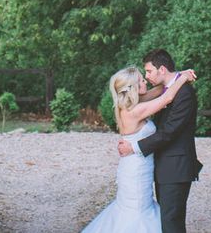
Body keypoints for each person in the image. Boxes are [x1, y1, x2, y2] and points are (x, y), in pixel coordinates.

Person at [81, 59, 197, 233]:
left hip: (139, 165)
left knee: (142, 209)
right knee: (136, 213)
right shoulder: (133, 111)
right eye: (142, 80)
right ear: (133, 87)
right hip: (135, 169)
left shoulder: (132, 104)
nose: (146, 81)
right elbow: (167, 97)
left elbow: (162, 87)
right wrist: (183, 78)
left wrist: (178, 74)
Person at [117, 49, 203, 233]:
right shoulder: (161, 93)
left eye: (148, 72)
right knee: (164, 221)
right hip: (161, 168)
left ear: (162, 69)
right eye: (143, 76)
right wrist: (182, 76)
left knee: (171, 222)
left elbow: (169, 132)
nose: (146, 77)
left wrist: (134, 146)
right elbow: (165, 95)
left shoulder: (184, 93)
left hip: (176, 167)